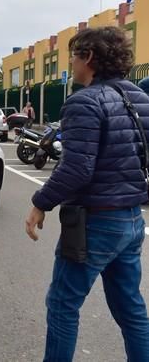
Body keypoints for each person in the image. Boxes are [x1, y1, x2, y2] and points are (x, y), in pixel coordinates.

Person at [25, 26, 149, 361]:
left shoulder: (84, 102)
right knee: (130, 308)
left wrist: (40, 202)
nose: (72, 64)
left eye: (73, 56)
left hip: (95, 223)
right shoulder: (141, 100)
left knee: (63, 304)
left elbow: (77, 168)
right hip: (132, 221)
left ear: (88, 57)